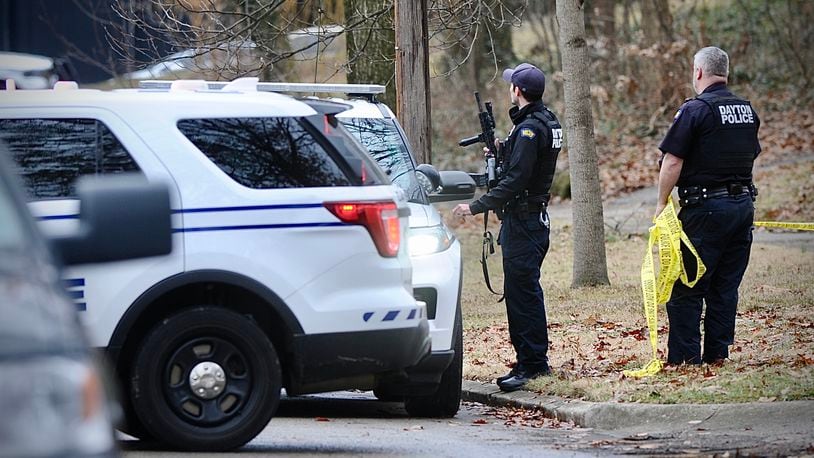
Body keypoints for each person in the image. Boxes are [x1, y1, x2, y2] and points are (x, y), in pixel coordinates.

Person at [453, 63, 562, 392]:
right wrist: (504, 149)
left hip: (524, 222)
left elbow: (516, 180)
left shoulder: (529, 129)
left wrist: (475, 206)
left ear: (518, 91)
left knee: (522, 295)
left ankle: (532, 365)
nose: (508, 90)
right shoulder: (544, 121)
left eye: (511, 86)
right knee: (524, 292)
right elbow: (528, 163)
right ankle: (531, 360)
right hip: (531, 219)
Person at [656, 46, 761, 365]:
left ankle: (685, 360)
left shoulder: (695, 110)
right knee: (724, 286)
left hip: (705, 210)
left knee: (687, 285)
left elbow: (673, 160)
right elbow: (750, 153)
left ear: (698, 71)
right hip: (742, 207)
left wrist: (662, 202)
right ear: (725, 72)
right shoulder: (747, 110)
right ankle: (717, 354)